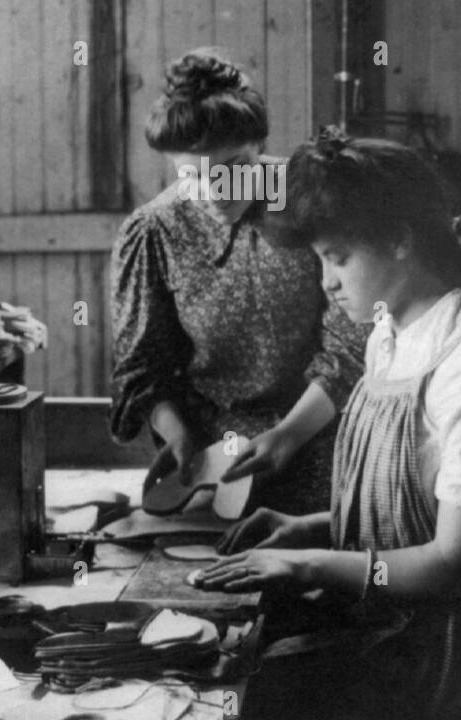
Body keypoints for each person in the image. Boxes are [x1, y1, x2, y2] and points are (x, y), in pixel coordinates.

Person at [204, 128, 461, 720]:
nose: (326, 280)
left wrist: (310, 562)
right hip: (388, 621)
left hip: (437, 659)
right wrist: (306, 531)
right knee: (237, 654)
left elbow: (449, 562)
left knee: (259, 693)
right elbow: (400, 514)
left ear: (401, 242)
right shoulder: (390, 337)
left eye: (337, 258)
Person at [110, 51, 367, 515]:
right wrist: (179, 435)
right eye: (191, 176)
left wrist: (288, 436)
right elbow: (141, 372)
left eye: (232, 170)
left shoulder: (311, 201)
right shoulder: (154, 231)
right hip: (213, 467)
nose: (214, 194)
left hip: (322, 440)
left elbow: (350, 348)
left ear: (259, 144)